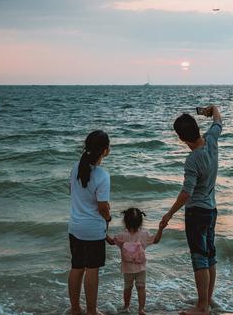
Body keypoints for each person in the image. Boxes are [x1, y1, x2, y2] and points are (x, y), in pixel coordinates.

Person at [160, 105, 222, 315]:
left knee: (199, 258)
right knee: (210, 255)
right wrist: (210, 109)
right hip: (212, 210)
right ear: (196, 128)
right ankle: (206, 300)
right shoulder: (212, 140)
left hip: (196, 212)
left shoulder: (192, 159)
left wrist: (169, 214)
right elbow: (217, 119)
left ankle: (202, 307)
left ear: (180, 137)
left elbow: (187, 192)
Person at [68, 130, 112, 315]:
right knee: (92, 270)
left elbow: (71, 190)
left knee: (77, 268)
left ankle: (76, 308)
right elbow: (102, 207)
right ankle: (91, 311)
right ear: (104, 151)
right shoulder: (102, 175)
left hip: (75, 227)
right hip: (93, 230)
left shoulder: (76, 167)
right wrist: (108, 218)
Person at [106, 208, 163, 315]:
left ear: (125, 221)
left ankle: (126, 306)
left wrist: (103, 229)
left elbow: (110, 242)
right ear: (140, 222)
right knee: (141, 287)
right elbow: (156, 240)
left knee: (127, 287)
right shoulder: (144, 235)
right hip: (141, 268)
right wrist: (160, 229)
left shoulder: (122, 235)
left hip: (127, 268)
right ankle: (141, 309)